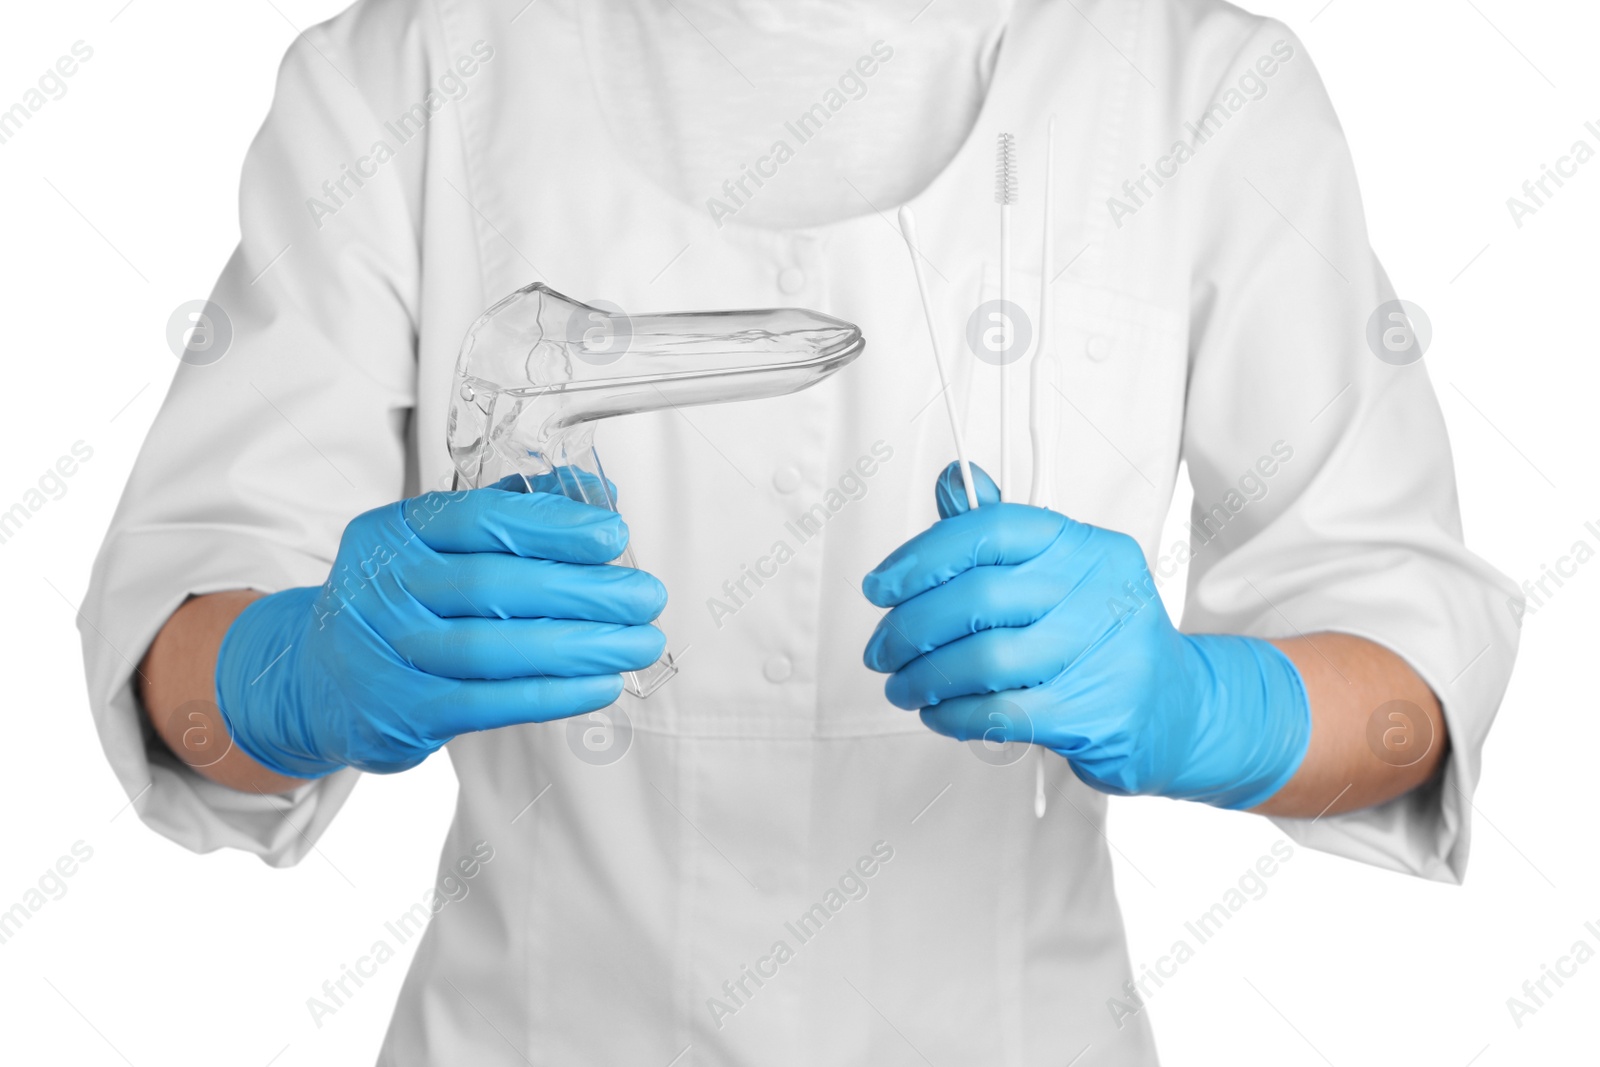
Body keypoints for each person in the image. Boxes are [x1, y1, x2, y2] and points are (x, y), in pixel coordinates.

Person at [81, 0, 1519, 1062]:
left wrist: (1203, 703)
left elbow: (1408, 694)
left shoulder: (1197, 92)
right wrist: (301, 669)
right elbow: (173, 681)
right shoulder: (407, 77)